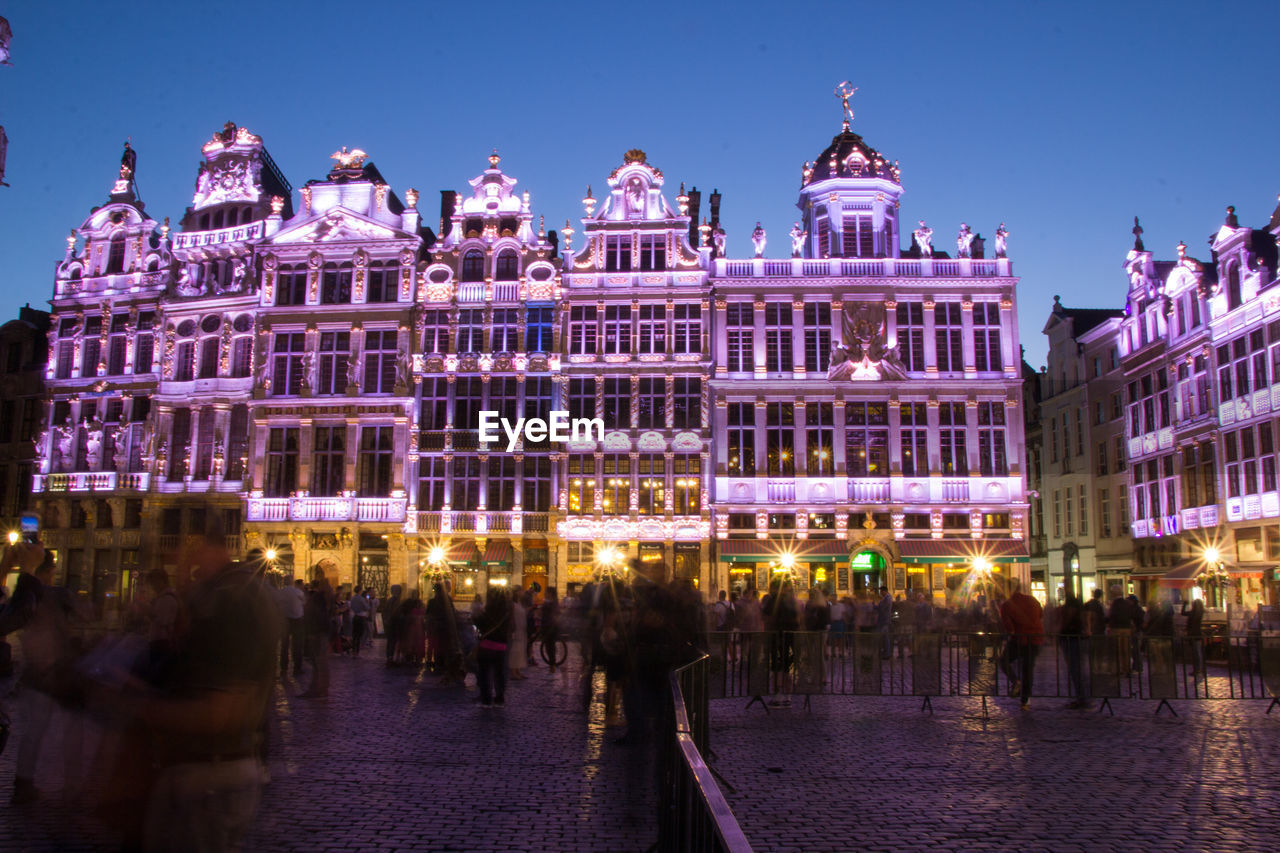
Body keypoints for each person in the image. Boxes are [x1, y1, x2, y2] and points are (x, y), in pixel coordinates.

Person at [125, 546, 279, 850]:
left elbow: (219, 714)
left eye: (194, 569)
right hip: (216, 770)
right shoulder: (234, 607)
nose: (187, 578)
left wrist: (135, 707)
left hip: (209, 776)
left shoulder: (230, 612)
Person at [1000, 579, 1045, 710]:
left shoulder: (1007, 605)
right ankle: (1025, 701)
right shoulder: (1032, 600)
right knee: (1028, 669)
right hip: (1035, 638)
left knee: (1004, 660)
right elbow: (1041, 615)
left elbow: (1009, 627)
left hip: (1019, 639)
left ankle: (1015, 681)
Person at [474, 590, 513, 707]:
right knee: (499, 673)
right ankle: (499, 698)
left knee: (485, 674)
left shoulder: (487, 612)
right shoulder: (506, 613)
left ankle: (486, 700)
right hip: (501, 647)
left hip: (487, 646)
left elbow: (479, 624)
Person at [300, 569, 334, 698]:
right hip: (322, 631)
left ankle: (318, 688)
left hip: (317, 632)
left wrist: (312, 631)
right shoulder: (327, 598)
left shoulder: (318, 598)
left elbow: (316, 615)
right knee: (320, 661)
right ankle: (319, 687)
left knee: (318, 661)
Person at [1059, 594, 1091, 709]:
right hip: (1077, 639)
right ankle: (1083, 697)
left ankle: (1083, 698)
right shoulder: (1082, 611)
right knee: (1080, 670)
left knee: (1077, 670)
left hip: (1072, 639)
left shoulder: (1073, 613)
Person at [274, 577, 305, 678]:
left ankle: (284, 668)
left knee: (284, 645)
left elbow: (277, 604)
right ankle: (297, 668)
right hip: (297, 620)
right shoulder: (298, 592)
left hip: (285, 620)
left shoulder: (280, 592)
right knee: (297, 645)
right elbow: (304, 602)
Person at [1183, 598, 1206, 677]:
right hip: (1197, 634)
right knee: (1197, 653)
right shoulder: (1200, 613)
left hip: (1193, 634)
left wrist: (1185, 604)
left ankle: (1198, 669)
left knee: (1196, 653)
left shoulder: (1193, 613)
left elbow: (1183, 613)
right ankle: (1199, 669)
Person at [540, 588, 562, 673]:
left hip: (550, 627)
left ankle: (552, 665)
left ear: (550, 593)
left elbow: (555, 615)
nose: (545, 593)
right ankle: (551, 665)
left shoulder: (552, 603)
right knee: (549, 646)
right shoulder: (550, 602)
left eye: (546, 592)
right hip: (547, 626)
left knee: (550, 646)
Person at [509, 590, 528, 681]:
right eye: (521, 591)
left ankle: (518, 670)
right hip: (515, 630)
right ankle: (513, 672)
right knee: (515, 651)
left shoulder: (519, 603)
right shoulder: (512, 604)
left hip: (521, 629)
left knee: (520, 650)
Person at [349, 587, 370, 657]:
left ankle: (354, 650)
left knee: (355, 635)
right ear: (360, 591)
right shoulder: (361, 599)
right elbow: (367, 607)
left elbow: (351, 607)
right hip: (361, 617)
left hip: (355, 616)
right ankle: (357, 652)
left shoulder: (352, 598)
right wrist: (367, 602)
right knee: (359, 635)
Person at [875, 586, 893, 659]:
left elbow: (883, 607)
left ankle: (886, 653)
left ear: (884, 591)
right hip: (883, 620)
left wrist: (875, 606)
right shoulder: (886, 598)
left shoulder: (887, 598)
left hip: (884, 620)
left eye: (881, 591)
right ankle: (886, 652)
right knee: (885, 637)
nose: (880, 593)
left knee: (883, 636)